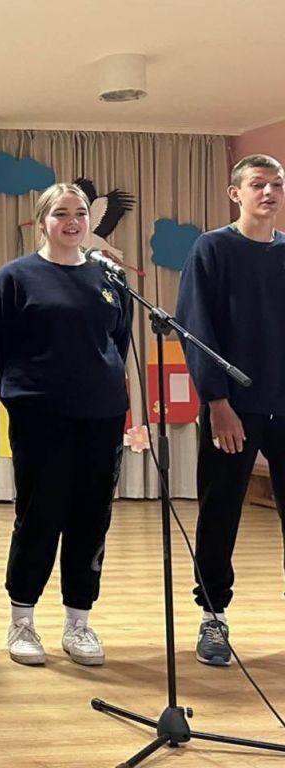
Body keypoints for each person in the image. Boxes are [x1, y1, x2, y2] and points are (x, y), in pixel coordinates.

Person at [0, 182, 131, 667]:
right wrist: (21, 398)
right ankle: (23, 619)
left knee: (91, 517)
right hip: (40, 416)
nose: (73, 222)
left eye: (80, 213)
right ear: (43, 221)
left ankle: (78, 622)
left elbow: (117, 342)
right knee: (39, 515)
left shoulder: (109, 278)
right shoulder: (15, 277)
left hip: (101, 415)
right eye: (61, 213)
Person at [176, 154, 285, 666]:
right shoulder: (213, 248)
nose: (269, 192)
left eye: (277, 184)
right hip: (234, 408)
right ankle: (213, 616)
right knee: (220, 512)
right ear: (235, 193)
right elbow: (196, 328)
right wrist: (216, 401)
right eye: (258, 184)